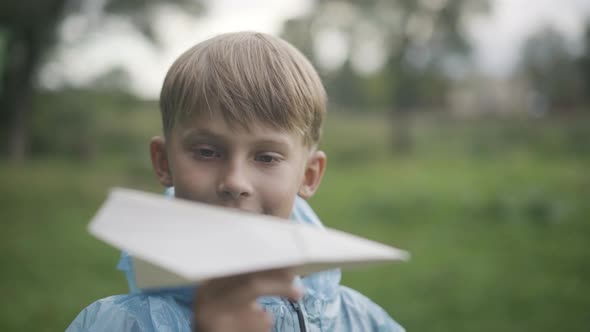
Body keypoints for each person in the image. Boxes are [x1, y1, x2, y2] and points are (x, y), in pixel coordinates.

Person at [67, 31, 405, 332]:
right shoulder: (118, 324)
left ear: (309, 175)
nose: (234, 182)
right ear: (163, 161)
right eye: (207, 152)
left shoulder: (358, 321)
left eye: (266, 157)